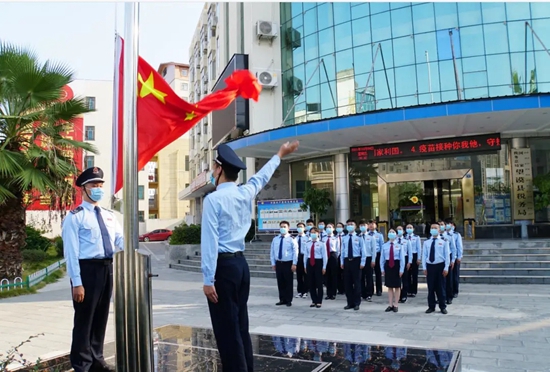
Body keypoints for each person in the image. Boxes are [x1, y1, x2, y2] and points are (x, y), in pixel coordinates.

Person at [201, 141, 299, 372]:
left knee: (226, 328)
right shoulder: (245, 193)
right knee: (240, 323)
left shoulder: (213, 200)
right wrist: (279, 154)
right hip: (240, 266)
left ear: (219, 170)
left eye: (214, 168)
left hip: (223, 268)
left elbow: (210, 242)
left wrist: (207, 279)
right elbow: (261, 178)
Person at [62, 167, 123, 372]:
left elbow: (119, 240)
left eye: (100, 185)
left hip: (107, 268)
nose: (98, 189)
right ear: (83, 189)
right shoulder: (75, 216)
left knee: (101, 317)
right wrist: (76, 282)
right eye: (93, 185)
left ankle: (97, 360)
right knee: (84, 319)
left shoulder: (109, 215)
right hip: (86, 271)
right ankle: (81, 364)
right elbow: (71, 252)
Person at [422, 224, 450, 314]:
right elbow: (424, 256)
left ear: (439, 230)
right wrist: (424, 267)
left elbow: (447, 255)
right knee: (431, 288)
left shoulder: (444, 241)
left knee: (440, 287)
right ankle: (431, 306)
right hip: (430, 266)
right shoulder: (427, 242)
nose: (433, 229)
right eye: (432, 228)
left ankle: (442, 306)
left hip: (440, 265)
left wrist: (446, 267)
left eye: (435, 228)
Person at [270, 220, 299, 307]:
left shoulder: (292, 239)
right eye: (281, 227)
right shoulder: (275, 239)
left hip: (288, 263)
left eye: (284, 227)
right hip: (279, 263)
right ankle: (282, 299)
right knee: (280, 282)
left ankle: (289, 300)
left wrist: (294, 263)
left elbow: (295, 252)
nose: (282, 228)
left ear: (288, 228)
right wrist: (273, 263)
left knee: (288, 282)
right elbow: (272, 252)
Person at [340, 219, 367, 311]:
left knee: (357, 283)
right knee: (347, 283)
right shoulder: (344, 237)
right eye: (348, 224)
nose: (350, 226)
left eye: (352, 224)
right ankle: (349, 303)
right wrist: (342, 262)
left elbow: (363, 250)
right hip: (347, 261)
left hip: (356, 260)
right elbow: (342, 251)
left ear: (355, 227)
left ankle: (356, 303)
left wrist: (362, 262)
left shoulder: (359, 237)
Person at [380, 229, 405, 313]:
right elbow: (382, 258)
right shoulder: (385, 245)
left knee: (397, 286)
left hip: (396, 265)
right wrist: (382, 268)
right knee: (390, 286)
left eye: (393, 232)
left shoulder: (400, 245)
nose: (391, 233)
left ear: (396, 234)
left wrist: (401, 269)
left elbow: (402, 259)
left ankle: (396, 304)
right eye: (390, 232)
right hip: (388, 266)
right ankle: (390, 304)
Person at [304, 227, 328, 308]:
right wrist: (305, 266)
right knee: (311, 283)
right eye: (312, 232)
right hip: (310, 262)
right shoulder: (308, 243)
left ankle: (319, 301)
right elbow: (305, 255)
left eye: (315, 232)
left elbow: (325, 256)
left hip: (318, 262)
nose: (313, 234)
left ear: (318, 233)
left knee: (319, 283)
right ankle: (313, 300)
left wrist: (324, 267)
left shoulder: (322, 243)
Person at [439, 220, 456, 305]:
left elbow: (453, 249)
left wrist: (453, 260)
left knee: (448, 280)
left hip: (447, 259)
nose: (440, 226)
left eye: (442, 224)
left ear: (445, 226)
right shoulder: (435, 237)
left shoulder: (449, 236)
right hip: (439, 260)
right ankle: (441, 297)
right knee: (440, 281)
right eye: (439, 225)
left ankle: (449, 297)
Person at [358, 219, 376, 302]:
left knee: (369, 277)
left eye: (364, 225)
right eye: (361, 226)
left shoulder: (371, 237)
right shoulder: (357, 237)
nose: (362, 227)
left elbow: (373, 250)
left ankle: (369, 293)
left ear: (367, 226)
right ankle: (362, 293)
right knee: (360, 277)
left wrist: (373, 260)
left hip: (368, 258)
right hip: (360, 258)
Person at [368, 220, 385, 296]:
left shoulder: (379, 235)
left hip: (378, 255)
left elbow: (382, 246)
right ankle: (370, 290)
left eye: (372, 224)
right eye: (369, 224)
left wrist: (382, 257)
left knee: (378, 273)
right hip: (369, 255)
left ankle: (379, 290)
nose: (371, 225)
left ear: (376, 225)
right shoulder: (366, 235)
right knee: (369, 274)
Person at [405, 224, 422, 298]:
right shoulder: (404, 237)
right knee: (407, 274)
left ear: (413, 229)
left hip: (414, 256)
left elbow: (419, 248)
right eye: (407, 227)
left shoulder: (416, 237)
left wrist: (418, 258)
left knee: (414, 275)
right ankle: (408, 290)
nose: (409, 229)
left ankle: (414, 291)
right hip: (406, 256)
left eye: (410, 227)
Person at [324, 223, 340, 300]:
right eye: (327, 227)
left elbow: (338, 249)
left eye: (330, 227)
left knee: (333, 275)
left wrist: (336, 256)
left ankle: (333, 293)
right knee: (327, 275)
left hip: (333, 256)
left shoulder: (335, 238)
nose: (328, 228)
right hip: (325, 256)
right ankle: (328, 293)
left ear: (333, 229)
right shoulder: (323, 238)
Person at [396, 226, 412, 304]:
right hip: (396, 260)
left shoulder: (406, 241)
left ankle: (404, 295)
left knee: (405, 279)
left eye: (400, 229)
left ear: (403, 231)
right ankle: (397, 296)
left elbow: (410, 252)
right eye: (397, 229)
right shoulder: (394, 240)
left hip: (405, 259)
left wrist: (409, 262)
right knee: (397, 279)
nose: (399, 231)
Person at [294, 222, 309, 299]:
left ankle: (305, 291)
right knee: (299, 275)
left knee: (305, 275)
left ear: (304, 228)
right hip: (297, 257)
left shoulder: (307, 238)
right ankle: (299, 291)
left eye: (301, 227)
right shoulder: (295, 239)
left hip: (305, 257)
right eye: (298, 227)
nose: (300, 228)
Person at [448, 220, 463, 298]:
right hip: (448, 257)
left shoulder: (456, 235)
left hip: (455, 257)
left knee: (455, 275)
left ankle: (455, 291)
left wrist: (459, 256)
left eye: (449, 224)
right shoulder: (444, 234)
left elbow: (459, 246)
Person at [335, 222, 346, 295]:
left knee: (345, 274)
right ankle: (340, 289)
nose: (339, 228)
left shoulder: (345, 236)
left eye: (340, 227)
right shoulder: (334, 237)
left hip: (344, 256)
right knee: (337, 273)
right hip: (336, 256)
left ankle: (345, 288)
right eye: (337, 227)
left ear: (343, 228)